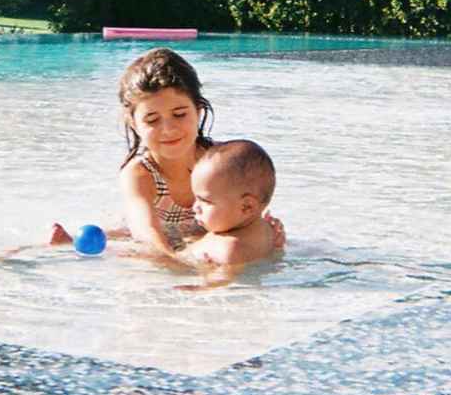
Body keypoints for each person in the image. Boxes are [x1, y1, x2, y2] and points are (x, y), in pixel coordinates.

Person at [50, 47, 285, 257]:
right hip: (154, 235)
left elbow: (250, 206)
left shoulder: (222, 162)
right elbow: (147, 234)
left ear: (199, 111)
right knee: (130, 250)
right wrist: (180, 265)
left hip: (202, 236)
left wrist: (266, 233)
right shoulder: (141, 174)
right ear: (133, 123)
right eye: (152, 119)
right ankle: (66, 244)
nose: (169, 129)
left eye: (180, 114)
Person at [179, 139, 281, 284]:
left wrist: (199, 289)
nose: (195, 207)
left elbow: (222, 281)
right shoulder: (268, 230)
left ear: (247, 207)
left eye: (205, 201)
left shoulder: (229, 250)